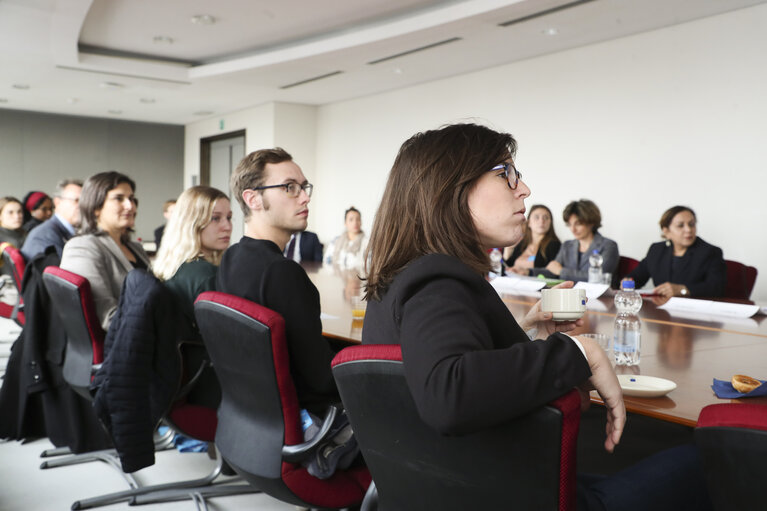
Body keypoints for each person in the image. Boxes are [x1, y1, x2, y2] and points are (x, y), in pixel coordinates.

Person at [362, 123, 711, 511]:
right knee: (708, 457)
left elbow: (452, 366)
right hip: (510, 494)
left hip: (447, 488)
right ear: (450, 189)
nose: (523, 189)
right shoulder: (438, 280)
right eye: (505, 174)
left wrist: (526, 337)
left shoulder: (400, 280)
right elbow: (449, 392)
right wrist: (580, 351)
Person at [219, 147, 339, 414]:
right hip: (300, 419)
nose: (305, 197)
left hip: (248, 417)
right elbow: (321, 379)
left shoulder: (231, 258)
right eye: (289, 187)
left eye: (304, 187)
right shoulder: (282, 273)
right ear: (253, 199)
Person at [60, 171, 150, 330]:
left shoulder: (136, 248)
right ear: (95, 207)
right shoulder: (82, 247)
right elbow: (106, 317)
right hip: (123, 342)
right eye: (119, 198)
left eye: (131, 199)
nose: (130, 206)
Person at [152, 186, 232, 328]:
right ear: (192, 223)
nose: (227, 226)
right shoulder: (206, 276)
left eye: (229, 217)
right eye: (215, 218)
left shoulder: (171, 266)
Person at [627, 206, 725, 298]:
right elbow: (637, 277)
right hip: (661, 308)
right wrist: (627, 282)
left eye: (691, 224)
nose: (688, 230)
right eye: (680, 225)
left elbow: (716, 288)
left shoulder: (710, 252)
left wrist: (683, 290)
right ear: (666, 232)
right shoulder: (656, 250)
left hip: (694, 310)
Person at [538, 199, 619, 282]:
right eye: (569, 224)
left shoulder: (609, 246)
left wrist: (561, 271)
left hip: (597, 294)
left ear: (591, 222)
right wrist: (528, 271)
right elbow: (553, 270)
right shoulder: (567, 245)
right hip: (569, 292)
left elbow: (598, 278)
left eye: (578, 224)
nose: (573, 229)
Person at [21, 179, 83, 261]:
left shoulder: (61, 231)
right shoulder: (44, 236)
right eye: (77, 200)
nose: (82, 206)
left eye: (85, 202)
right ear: (57, 202)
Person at [504, 204, 561, 274]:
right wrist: (508, 249)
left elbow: (552, 273)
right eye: (537, 217)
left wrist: (528, 273)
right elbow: (506, 269)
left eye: (546, 218)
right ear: (529, 223)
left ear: (550, 223)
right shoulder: (522, 243)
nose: (541, 221)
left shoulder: (554, 245)